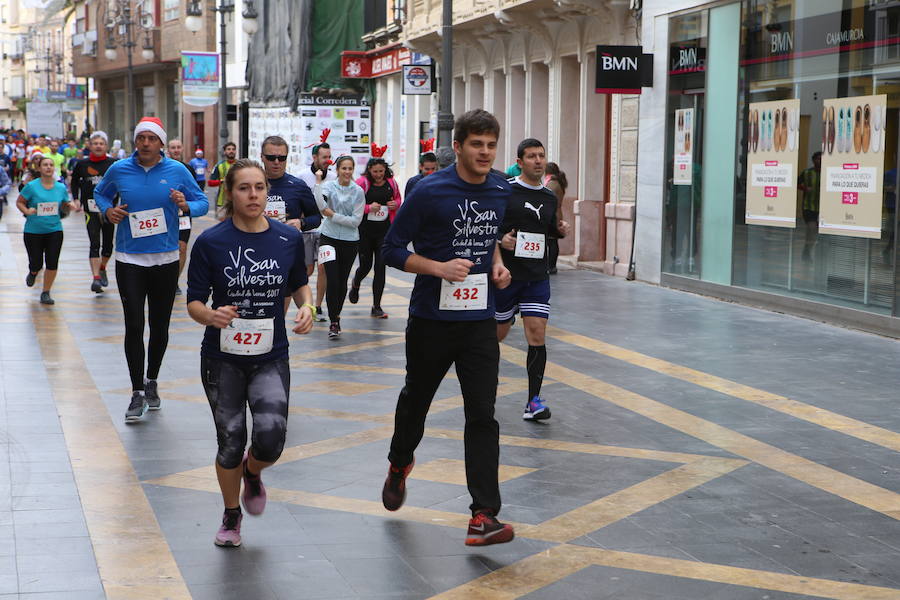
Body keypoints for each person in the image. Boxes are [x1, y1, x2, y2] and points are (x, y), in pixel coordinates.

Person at [380, 109, 514, 546]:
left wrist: (496, 265)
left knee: (482, 415)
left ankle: (483, 514)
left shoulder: (499, 189)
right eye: (477, 145)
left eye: (491, 145)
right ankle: (400, 462)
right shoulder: (429, 191)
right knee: (416, 399)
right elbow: (391, 249)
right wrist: (438, 267)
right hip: (431, 321)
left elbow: (489, 236)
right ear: (457, 147)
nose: (485, 153)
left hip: (478, 322)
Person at [187, 159, 314, 548]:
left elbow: (299, 285)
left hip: (270, 354)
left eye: (260, 187)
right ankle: (230, 514)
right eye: (244, 188)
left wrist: (307, 307)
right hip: (222, 358)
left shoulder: (286, 239)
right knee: (229, 440)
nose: (254, 194)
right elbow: (193, 303)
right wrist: (211, 314)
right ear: (230, 193)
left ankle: (253, 472)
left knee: (271, 440)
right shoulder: (212, 241)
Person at [94, 117, 209, 423]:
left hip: (166, 259)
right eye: (140, 138)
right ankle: (136, 392)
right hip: (130, 259)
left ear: (161, 143)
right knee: (134, 325)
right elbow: (101, 193)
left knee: (159, 327)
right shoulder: (119, 169)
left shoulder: (177, 170)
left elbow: (202, 203)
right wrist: (108, 210)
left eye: (151, 138)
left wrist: (185, 205)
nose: (145, 143)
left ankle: (152, 381)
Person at [496, 139, 570, 421]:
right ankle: (482, 385)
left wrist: (560, 230)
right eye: (531, 156)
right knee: (497, 335)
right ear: (520, 161)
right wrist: (501, 240)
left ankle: (533, 401)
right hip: (506, 276)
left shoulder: (550, 196)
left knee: (537, 334)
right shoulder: (506, 191)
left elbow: (549, 231)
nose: (538, 161)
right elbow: (491, 227)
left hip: (536, 277)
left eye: (541, 156)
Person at [313, 155, 364, 340]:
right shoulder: (328, 186)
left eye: (350, 168)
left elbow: (356, 221)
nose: (347, 172)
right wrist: (318, 182)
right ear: (338, 170)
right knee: (332, 280)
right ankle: (333, 321)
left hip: (350, 242)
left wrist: (333, 215)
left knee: (341, 282)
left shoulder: (358, 191)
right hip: (329, 238)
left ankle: (336, 316)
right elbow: (320, 206)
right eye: (344, 168)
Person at [16, 155, 74, 305]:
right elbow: (20, 202)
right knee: (36, 262)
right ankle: (33, 271)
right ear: (39, 168)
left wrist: (70, 206)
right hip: (33, 231)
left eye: (51, 165)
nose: (48, 167)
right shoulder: (31, 186)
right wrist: (27, 211)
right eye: (45, 165)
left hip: (54, 230)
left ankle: (46, 292)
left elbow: (65, 203)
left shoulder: (61, 187)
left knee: (52, 262)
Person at [349, 155, 401, 318]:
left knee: (380, 267)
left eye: (381, 171)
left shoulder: (391, 183)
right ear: (369, 170)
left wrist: (396, 204)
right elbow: (352, 204)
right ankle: (356, 283)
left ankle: (376, 306)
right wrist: (368, 208)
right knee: (365, 265)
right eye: (375, 171)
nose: (378, 174)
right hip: (365, 231)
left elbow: (399, 199)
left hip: (384, 232)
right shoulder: (362, 183)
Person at [70, 131, 117, 293]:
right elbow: (74, 182)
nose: (98, 146)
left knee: (108, 246)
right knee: (94, 243)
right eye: (95, 143)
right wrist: (76, 198)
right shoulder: (82, 164)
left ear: (106, 146)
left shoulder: (114, 164)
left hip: (110, 210)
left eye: (101, 143)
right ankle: (96, 278)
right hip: (90, 210)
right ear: (89, 145)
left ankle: (102, 267)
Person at [298, 137, 335, 322]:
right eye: (323, 157)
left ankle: (318, 306)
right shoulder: (303, 176)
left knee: (324, 269)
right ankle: (305, 304)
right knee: (308, 269)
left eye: (329, 156)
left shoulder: (334, 177)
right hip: (307, 230)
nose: (327, 160)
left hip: (326, 230)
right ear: (314, 157)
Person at [260, 135, 320, 244]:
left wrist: (301, 223)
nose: (277, 162)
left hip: (287, 247)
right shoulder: (252, 184)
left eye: (282, 158)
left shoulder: (298, 186)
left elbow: (316, 218)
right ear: (262, 157)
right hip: (257, 245)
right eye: (271, 158)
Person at [167, 139, 195, 295]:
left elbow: (197, 192)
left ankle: (174, 281)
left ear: (182, 149)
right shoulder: (161, 168)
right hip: (165, 215)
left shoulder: (188, 169)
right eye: (173, 147)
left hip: (183, 215)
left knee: (182, 248)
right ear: (168, 149)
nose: (176, 150)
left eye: (178, 147)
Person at [544, 162, 568, 274]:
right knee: (552, 240)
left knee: (551, 241)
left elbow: (548, 200)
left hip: (553, 215)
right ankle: (551, 265)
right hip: (556, 213)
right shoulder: (557, 182)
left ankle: (551, 266)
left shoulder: (552, 183)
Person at [798, 151, 821, 261]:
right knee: (812, 229)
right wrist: (805, 189)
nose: (820, 161)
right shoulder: (807, 173)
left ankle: (810, 251)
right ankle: (807, 251)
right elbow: (796, 183)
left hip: (823, 208)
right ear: (813, 160)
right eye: (817, 158)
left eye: (821, 159)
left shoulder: (828, 173)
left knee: (817, 233)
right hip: (809, 207)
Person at [208, 142, 238, 219]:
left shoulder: (240, 164)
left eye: (233, 149)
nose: (231, 151)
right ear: (224, 152)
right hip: (222, 202)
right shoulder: (219, 165)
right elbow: (210, 182)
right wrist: (222, 181)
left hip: (238, 201)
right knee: (222, 225)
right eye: (229, 149)